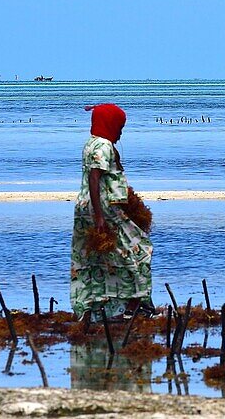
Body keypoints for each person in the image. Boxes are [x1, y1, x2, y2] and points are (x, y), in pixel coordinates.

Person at [71, 104, 153, 322]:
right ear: (109, 124)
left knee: (95, 256)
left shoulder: (92, 143)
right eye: (119, 127)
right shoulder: (103, 146)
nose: (120, 132)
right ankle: (135, 303)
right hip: (105, 208)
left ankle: (96, 308)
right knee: (139, 248)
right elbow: (94, 178)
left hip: (85, 206)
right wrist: (100, 216)